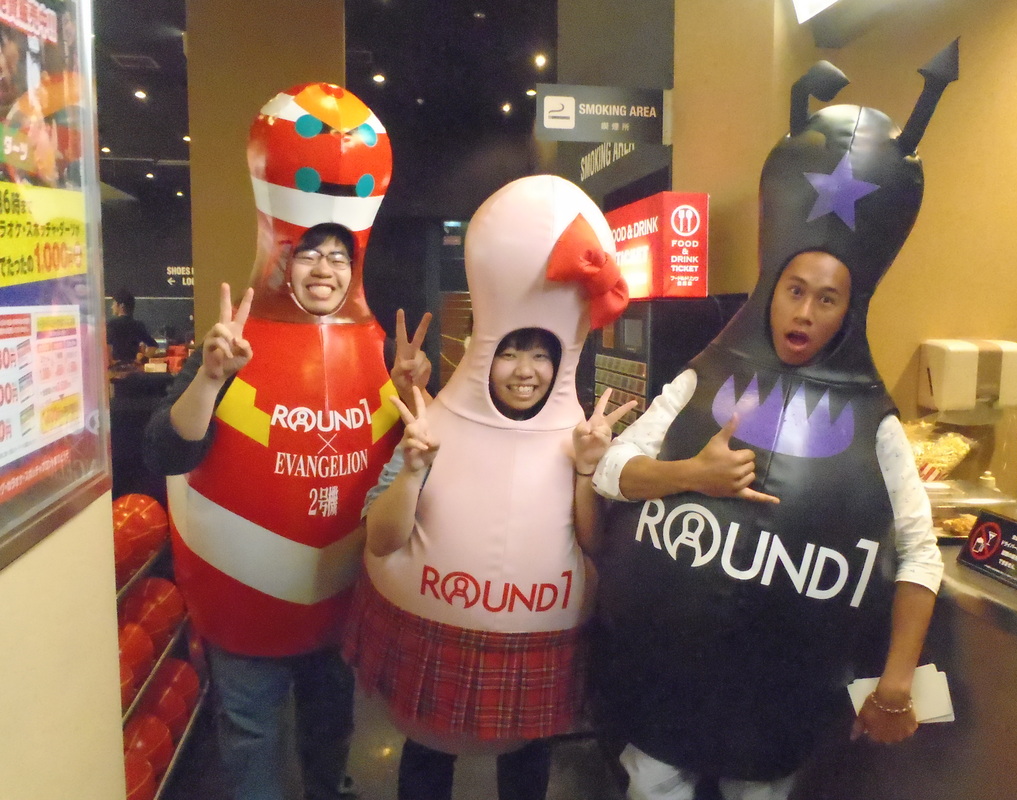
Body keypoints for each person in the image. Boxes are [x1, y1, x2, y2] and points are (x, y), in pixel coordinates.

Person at [590, 49, 957, 800]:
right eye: (795, 289)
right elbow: (608, 471)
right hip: (666, 678)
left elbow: (921, 554)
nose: (805, 311)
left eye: (828, 299)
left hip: (779, 699)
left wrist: (896, 684)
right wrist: (691, 475)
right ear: (773, 287)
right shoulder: (702, 377)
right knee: (654, 785)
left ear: (848, 309)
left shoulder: (875, 424)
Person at [144, 77, 403, 800]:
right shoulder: (230, 343)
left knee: (330, 728)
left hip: (338, 590)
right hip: (242, 591)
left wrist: (414, 393)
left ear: (354, 264)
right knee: (251, 734)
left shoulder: (377, 348)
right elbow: (166, 450)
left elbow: (406, 461)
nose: (324, 269)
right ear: (284, 256)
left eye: (338, 256)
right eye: (309, 253)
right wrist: (211, 377)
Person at [342, 175, 632, 800]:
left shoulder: (579, 439)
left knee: (526, 765)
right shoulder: (431, 429)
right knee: (427, 758)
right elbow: (382, 539)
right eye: (510, 353)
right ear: (483, 350)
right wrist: (413, 468)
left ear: (562, 359)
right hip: (432, 650)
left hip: (537, 654)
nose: (526, 371)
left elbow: (592, 544)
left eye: (542, 355)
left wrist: (587, 470)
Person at [106, 288, 158, 363]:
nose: (112, 307)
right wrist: (143, 360)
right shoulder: (138, 325)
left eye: (114, 304)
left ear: (121, 305)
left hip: (117, 366)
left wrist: (111, 362)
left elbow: (107, 346)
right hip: (133, 366)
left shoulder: (112, 324)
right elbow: (153, 346)